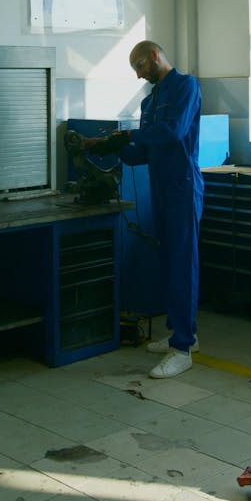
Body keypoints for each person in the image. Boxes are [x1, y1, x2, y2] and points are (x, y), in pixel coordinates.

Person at [84, 40, 203, 379]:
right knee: (169, 262)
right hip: (161, 189)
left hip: (182, 187)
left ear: (154, 56)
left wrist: (129, 136)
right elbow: (143, 153)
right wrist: (111, 146)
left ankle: (182, 349)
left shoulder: (186, 86)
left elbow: (173, 132)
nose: (138, 75)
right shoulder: (149, 101)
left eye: (139, 66)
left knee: (183, 264)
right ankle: (183, 334)